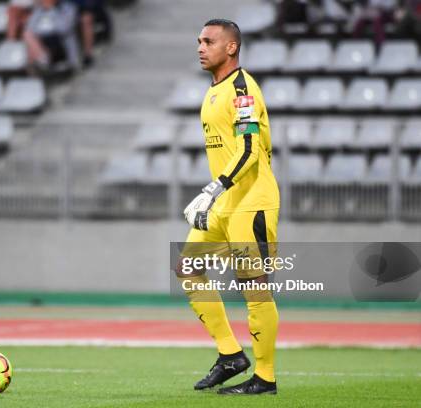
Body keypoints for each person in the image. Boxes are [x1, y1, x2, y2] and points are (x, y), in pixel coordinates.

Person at [178, 19, 280, 395]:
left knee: (253, 288)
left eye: (208, 41)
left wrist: (214, 187)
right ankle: (230, 355)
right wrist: (216, 194)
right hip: (224, 202)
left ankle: (265, 378)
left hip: (251, 201)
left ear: (231, 47)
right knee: (188, 269)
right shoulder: (214, 90)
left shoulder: (242, 88)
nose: (200, 47)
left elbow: (250, 149)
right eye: (198, 40)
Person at [23, 0, 81, 72]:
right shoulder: (39, 10)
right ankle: (42, 62)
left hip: (60, 43)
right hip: (44, 42)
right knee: (28, 36)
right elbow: (30, 27)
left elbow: (64, 29)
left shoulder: (69, 8)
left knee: (38, 39)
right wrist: (41, 10)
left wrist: (51, 9)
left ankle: (43, 62)